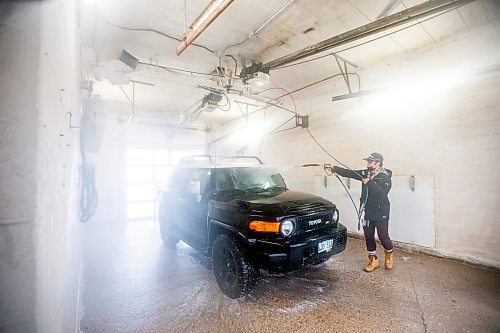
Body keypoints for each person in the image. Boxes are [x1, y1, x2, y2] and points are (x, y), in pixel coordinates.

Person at [325, 152, 394, 272]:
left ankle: (389, 255)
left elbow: (382, 194)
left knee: (383, 237)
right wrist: (334, 168)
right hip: (367, 210)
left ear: (378, 163)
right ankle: (373, 260)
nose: (368, 163)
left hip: (381, 211)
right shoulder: (366, 173)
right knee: (368, 236)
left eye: (370, 161)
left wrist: (369, 183)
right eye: (367, 161)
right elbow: (351, 173)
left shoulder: (385, 176)